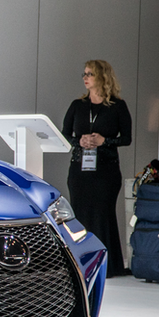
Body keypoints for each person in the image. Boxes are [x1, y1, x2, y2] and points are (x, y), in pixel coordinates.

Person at [62, 59, 132, 278]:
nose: (85, 77)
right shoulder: (77, 105)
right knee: (80, 214)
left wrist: (105, 141)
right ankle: (79, 265)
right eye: (84, 74)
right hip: (80, 169)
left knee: (102, 215)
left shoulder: (117, 106)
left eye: (90, 74)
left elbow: (127, 138)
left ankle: (106, 267)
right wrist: (78, 142)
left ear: (103, 77)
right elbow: (65, 134)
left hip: (106, 170)